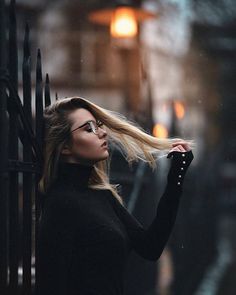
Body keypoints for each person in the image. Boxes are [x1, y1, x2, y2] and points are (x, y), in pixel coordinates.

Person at [37, 96, 194, 295]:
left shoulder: (102, 196)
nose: (102, 133)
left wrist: (176, 179)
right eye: (89, 128)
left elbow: (151, 247)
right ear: (65, 146)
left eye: (98, 126)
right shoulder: (61, 203)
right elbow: (51, 285)